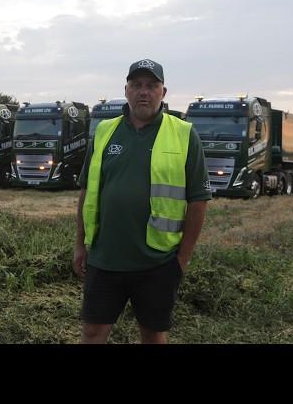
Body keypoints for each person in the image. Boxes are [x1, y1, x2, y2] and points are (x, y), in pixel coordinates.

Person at [73, 58, 212, 344]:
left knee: (152, 335)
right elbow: (87, 191)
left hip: (157, 262)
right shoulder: (104, 132)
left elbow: (198, 201)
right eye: (137, 85)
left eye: (152, 85)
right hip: (104, 257)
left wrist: (181, 261)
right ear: (126, 90)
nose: (144, 92)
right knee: (92, 332)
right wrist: (79, 244)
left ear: (164, 91)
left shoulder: (184, 134)